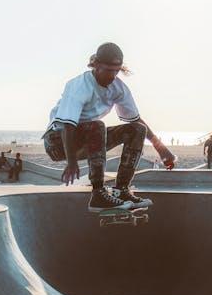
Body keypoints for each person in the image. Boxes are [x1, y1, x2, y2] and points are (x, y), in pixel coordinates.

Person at [43, 43, 175, 212]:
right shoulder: (79, 85)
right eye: (108, 70)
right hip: (57, 142)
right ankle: (98, 194)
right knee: (97, 126)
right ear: (96, 65)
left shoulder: (119, 88)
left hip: (89, 138)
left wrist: (162, 150)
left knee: (137, 129)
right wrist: (71, 162)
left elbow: (137, 120)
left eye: (116, 71)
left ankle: (121, 190)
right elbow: (68, 126)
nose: (112, 76)